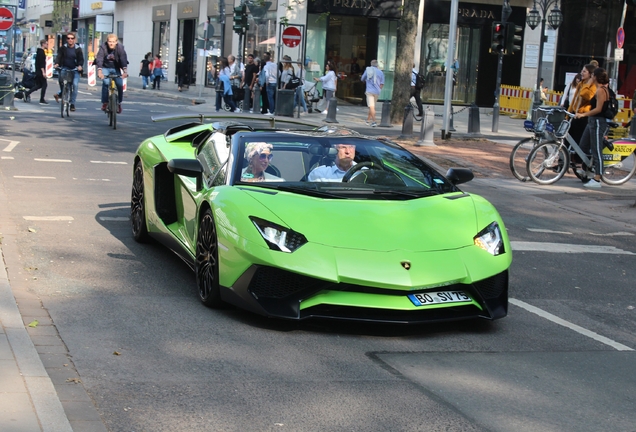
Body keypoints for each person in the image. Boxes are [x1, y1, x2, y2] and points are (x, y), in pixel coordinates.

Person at [575, 67, 611, 189]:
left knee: (596, 150)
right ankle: (586, 170)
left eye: (592, 76)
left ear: (595, 76)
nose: (591, 77)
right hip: (592, 122)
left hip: (598, 122)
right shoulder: (598, 89)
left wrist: (583, 114)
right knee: (583, 146)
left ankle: (597, 178)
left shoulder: (601, 90)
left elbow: (598, 109)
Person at [95, 33, 129, 114]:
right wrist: (100, 71)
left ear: (116, 42)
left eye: (113, 42)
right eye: (110, 41)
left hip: (116, 68)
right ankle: (105, 103)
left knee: (120, 84)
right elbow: (99, 58)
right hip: (105, 67)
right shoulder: (103, 47)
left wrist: (125, 71)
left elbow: (123, 59)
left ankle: (119, 103)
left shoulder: (120, 48)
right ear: (107, 41)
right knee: (106, 82)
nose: (111, 43)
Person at [53, 32, 84, 111]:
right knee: (60, 79)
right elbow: (59, 56)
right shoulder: (63, 48)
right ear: (66, 39)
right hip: (65, 68)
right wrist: (56, 63)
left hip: (75, 69)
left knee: (75, 85)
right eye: (68, 38)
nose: (70, 40)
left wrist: (80, 65)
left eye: (72, 38)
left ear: (74, 39)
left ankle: (72, 103)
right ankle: (63, 94)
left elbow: (81, 59)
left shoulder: (78, 49)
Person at [568, 64, 597, 145]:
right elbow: (574, 100)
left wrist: (588, 83)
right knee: (569, 139)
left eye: (584, 71)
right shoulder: (581, 83)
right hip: (575, 113)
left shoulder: (593, 86)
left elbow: (585, 95)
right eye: (582, 71)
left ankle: (576, 157)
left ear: (591, 74)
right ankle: (566, 157)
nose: (581, 73)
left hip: (584, 116)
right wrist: (569, 114)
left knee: (578, 140)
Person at [361, 59, 384, 127]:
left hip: (369, 91)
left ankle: (374, 121)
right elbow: (382, 83)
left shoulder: (368, 70)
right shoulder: (381, 72)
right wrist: (379, 89)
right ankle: (368, 120)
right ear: (377, 65)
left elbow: (362, 79)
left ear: (371, 64)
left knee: (371, 107)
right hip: (377, 91)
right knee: (372, 107)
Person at [25, 39, 49, 105]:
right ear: (43, 44)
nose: (47, 45)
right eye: (46, 44)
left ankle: (27, 93)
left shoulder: (39, 51)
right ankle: (42, 99)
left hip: (38, 71)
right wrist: (43, 72)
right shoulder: (41, 52)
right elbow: (41, 64)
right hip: (40, 72)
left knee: (39, 85)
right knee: (44, 85)